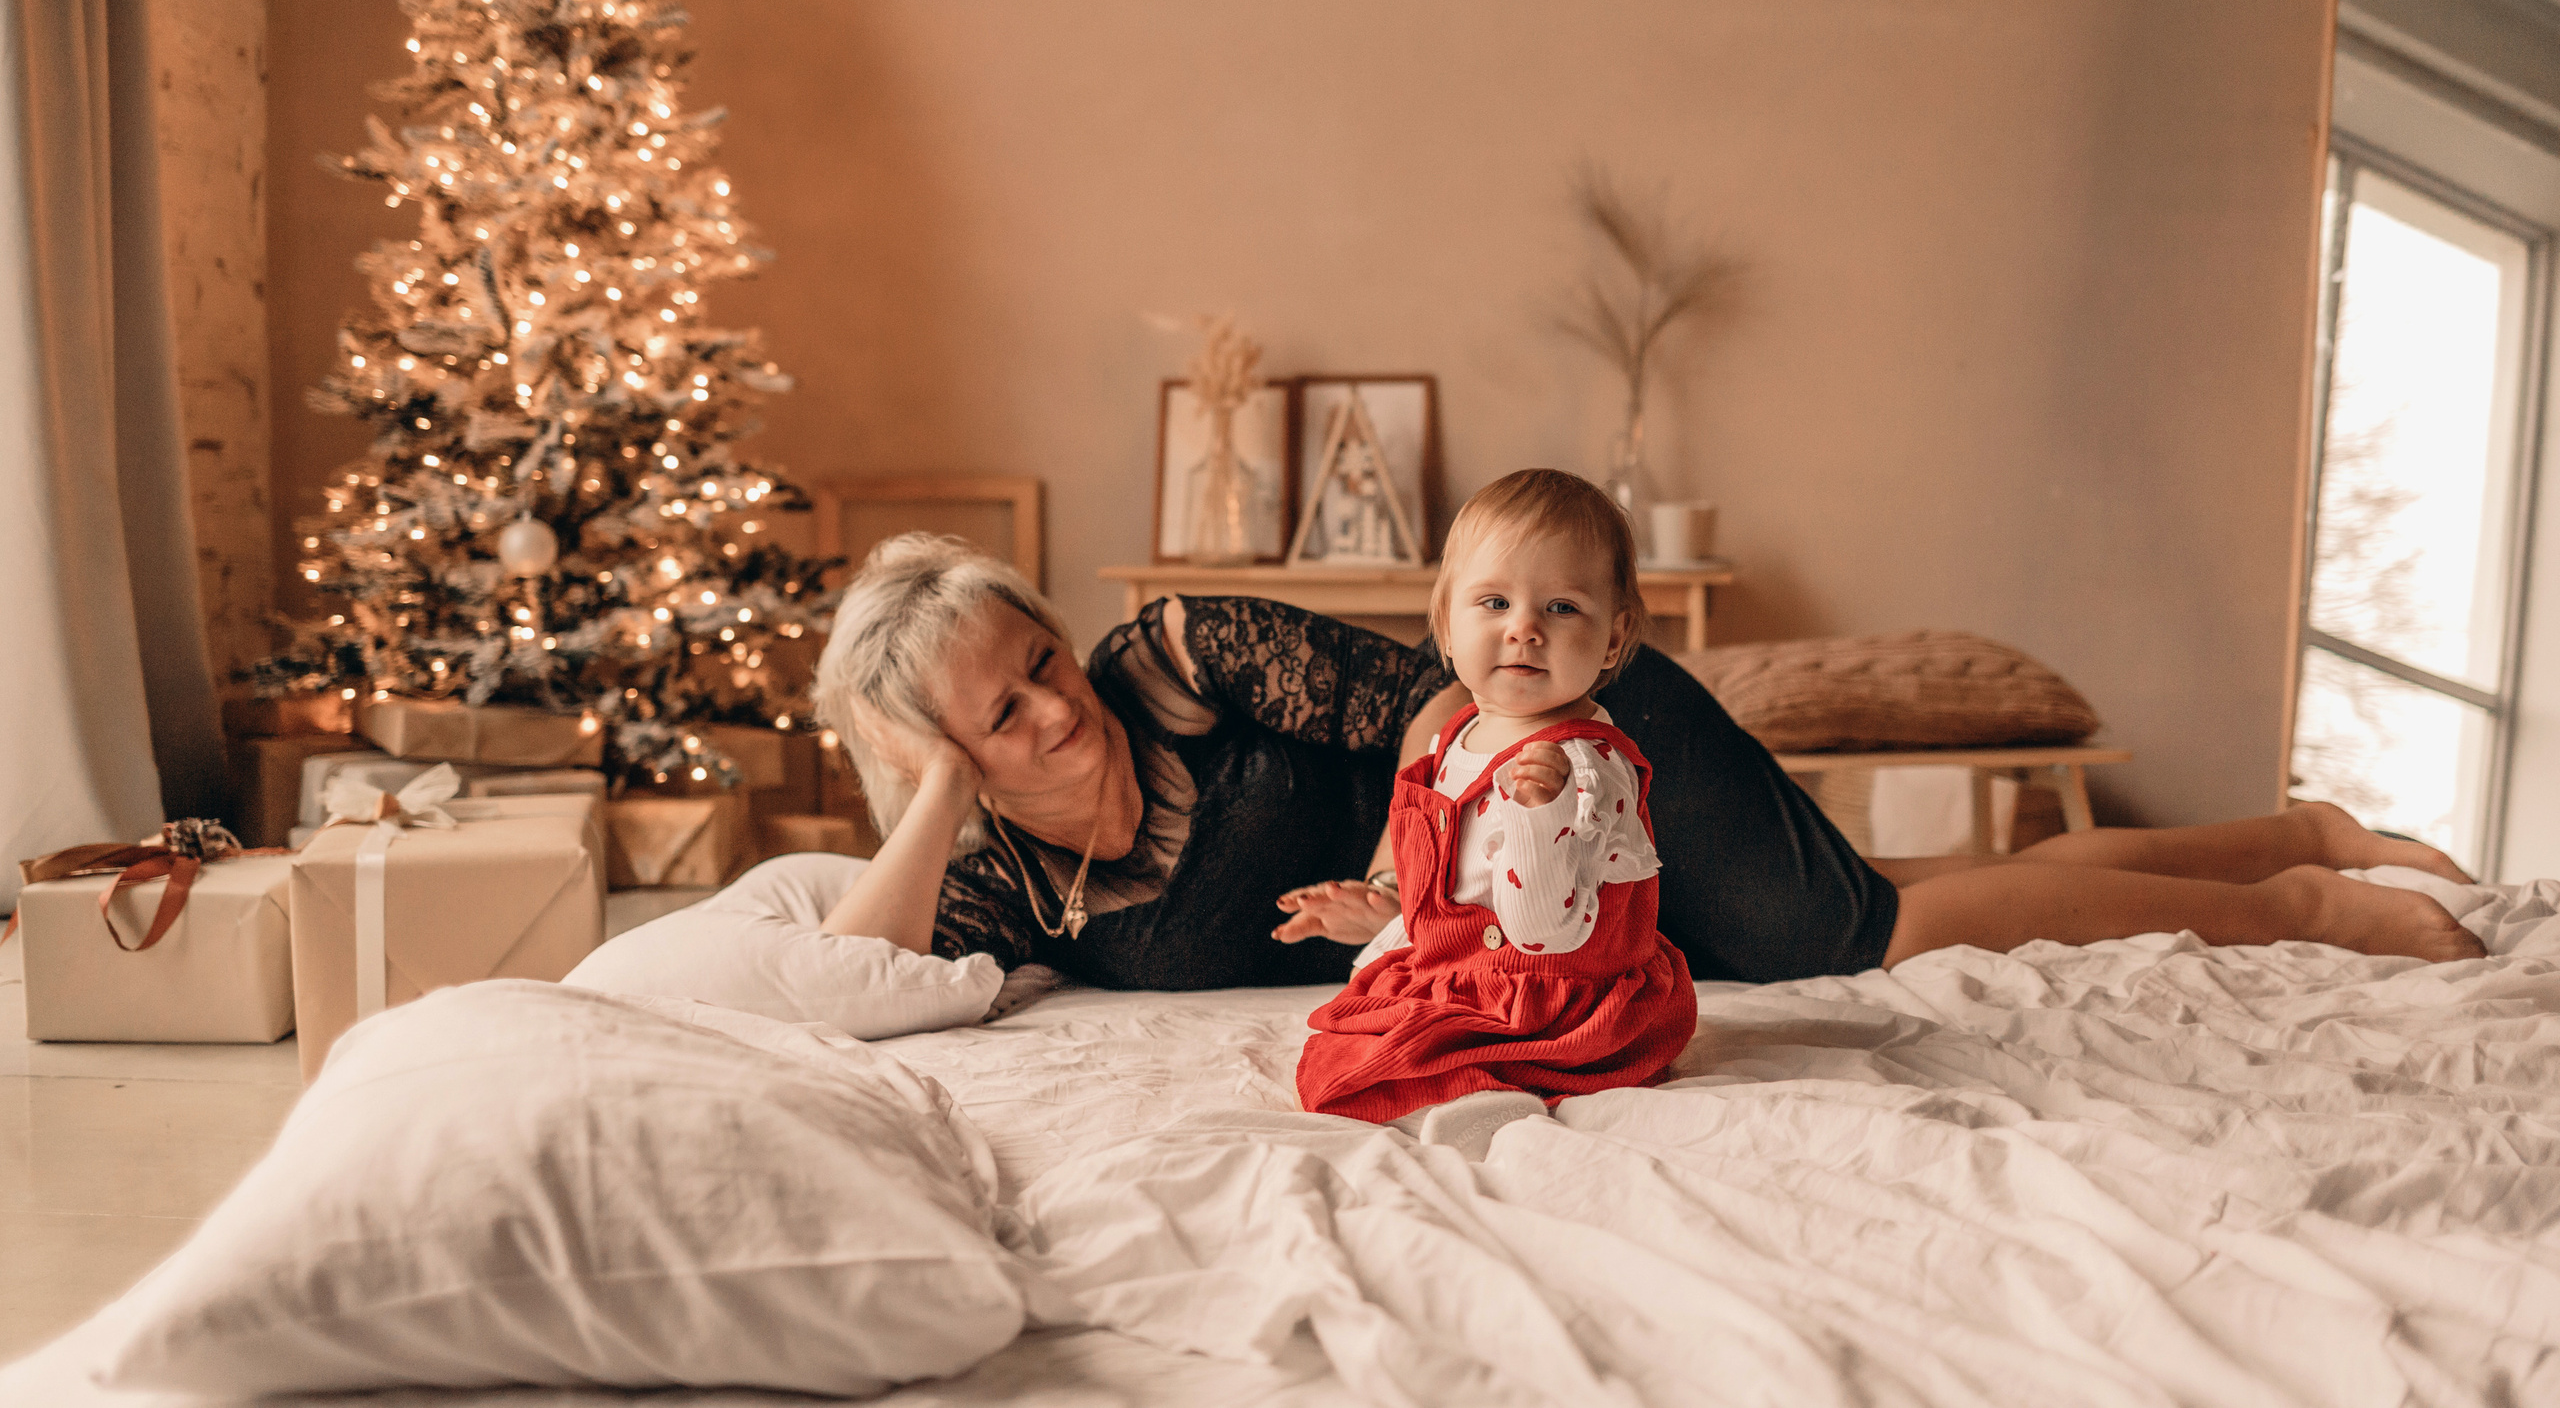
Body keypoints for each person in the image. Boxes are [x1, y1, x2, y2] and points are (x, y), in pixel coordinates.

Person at [810, 529, 2481, 1001]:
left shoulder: (1172, 656)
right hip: (1526, 883)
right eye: (998, 714)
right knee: (1890, 897)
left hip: (1572, 744)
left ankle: (2305, 907)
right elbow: (845, 977)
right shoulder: (1001, 879)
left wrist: (1413, 862)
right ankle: (2293, 833)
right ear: (941, 761)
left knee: (1859, 937)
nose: (1053, 707)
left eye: (1037, 656)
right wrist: (939, 786)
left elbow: (1432, 688)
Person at [1294, 472, 1698, 1154]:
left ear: (1613, 636)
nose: (1525, 629)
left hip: (1557, 995)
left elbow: (1546, 929)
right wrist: (1389, 929)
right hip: (1465, 972)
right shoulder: (1452, 735)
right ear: (1448, 625)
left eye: (1563, 607)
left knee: (1392, 1073)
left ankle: (1493, 1104)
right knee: (1333, 1057)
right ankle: (1458, 1084)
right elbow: (1452, 886)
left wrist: (1542, 818)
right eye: (1495, 601)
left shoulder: (1590, 769)